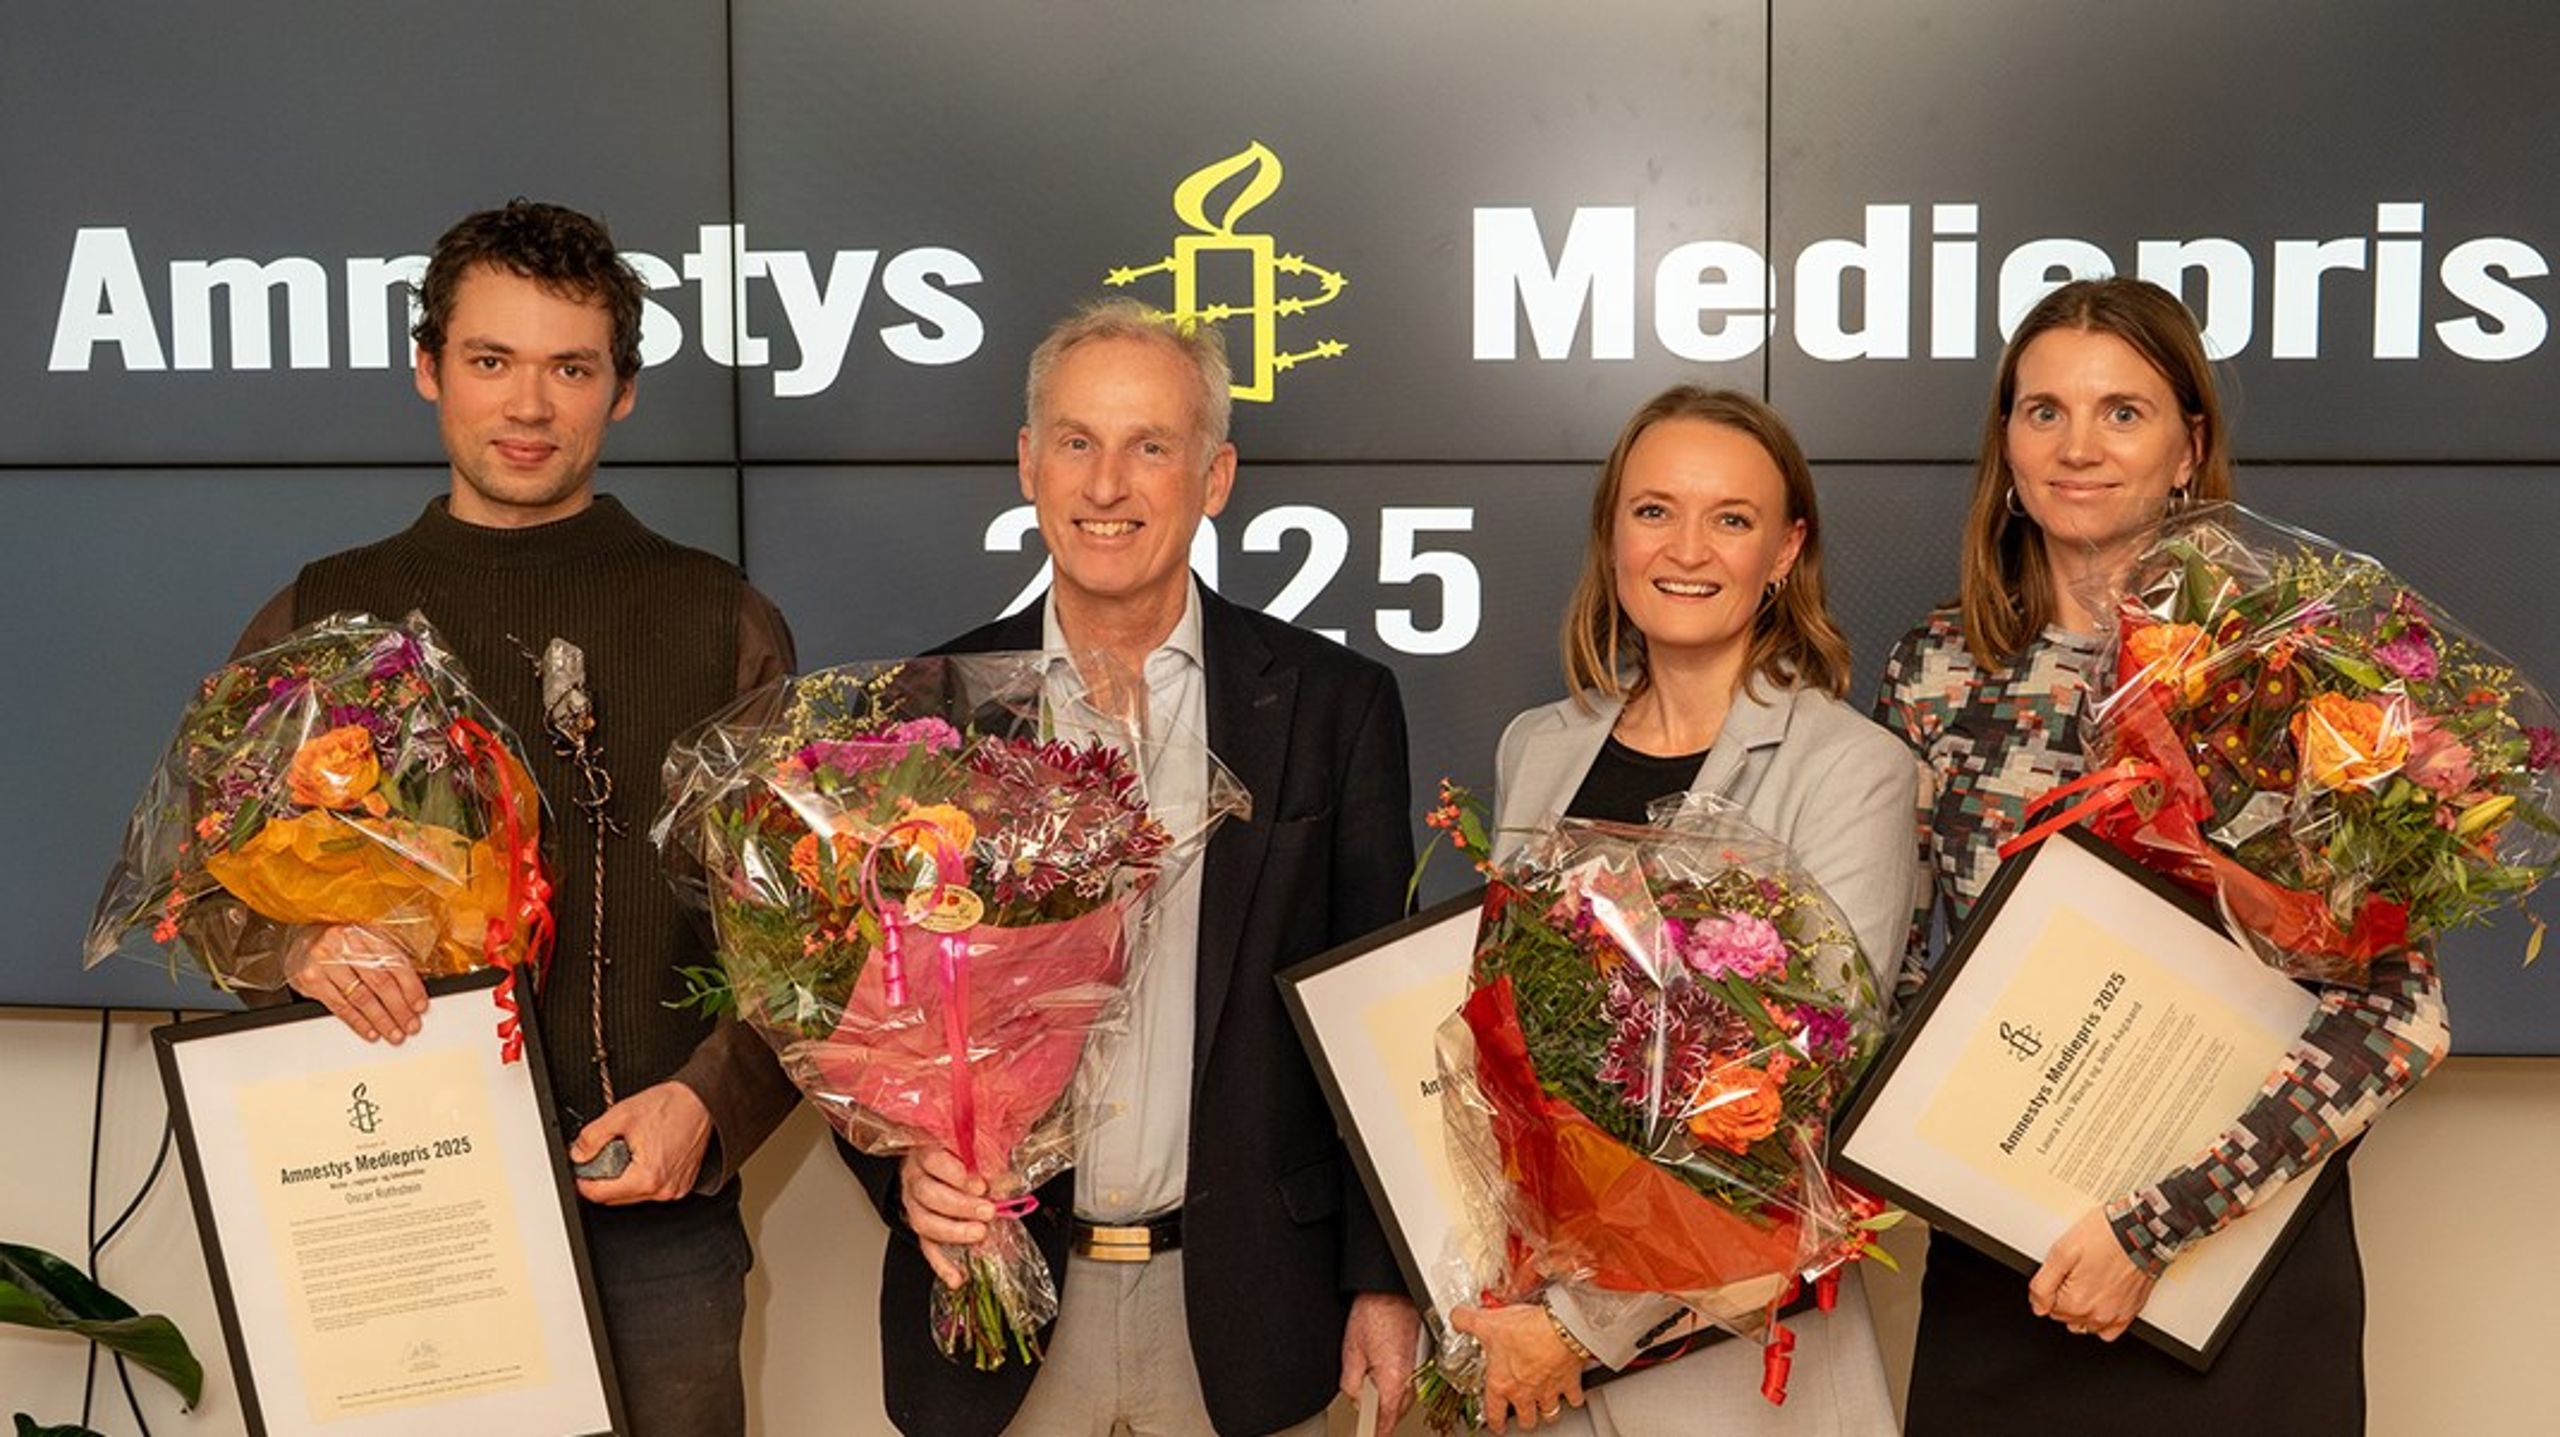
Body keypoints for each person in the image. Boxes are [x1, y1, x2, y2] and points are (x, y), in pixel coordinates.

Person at [228, 199, 802, 1437]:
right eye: (492, 360)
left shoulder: (720, 618)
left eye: (571, 368)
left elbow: (808, 945)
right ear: (429, 369)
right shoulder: (324, 616)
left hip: (653, 1225)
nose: (530, 406)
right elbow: (214, 893)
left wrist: (710, 1105)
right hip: (395, 1203)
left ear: (622, 391)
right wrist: (294, 945)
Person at [1874, 276, 2450, 1434]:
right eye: (2043, 411)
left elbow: (2398, 1016)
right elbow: (1900, 982)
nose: (2077, 447)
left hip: (2235, 1283)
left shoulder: (2286, 671)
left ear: (2187, 447)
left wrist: (2155, 1226)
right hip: (2007, 1270)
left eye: (2121, 412)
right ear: (2006, 444)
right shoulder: (1936, 670)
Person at [846, 298, 1422, 1436]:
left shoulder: (1333, 705)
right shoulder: (924, 714)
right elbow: (860, 1007)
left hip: (1251, 1318)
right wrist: (902, 1171)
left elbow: (1373, 1018)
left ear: (1215, 477)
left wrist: (1384, 1279)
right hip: (997, 1301)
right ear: (1028, 463)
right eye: (1077, 441)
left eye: (1150, 446)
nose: (1106, 484)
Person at [1454, 386, 1922, 1436]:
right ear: (1612, 532)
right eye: (1655, 510)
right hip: (1527, 1343)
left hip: (1728, 1360)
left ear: (1785, 550)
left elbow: (1795, 1108)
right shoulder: (1539, 746)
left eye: (1732, 518)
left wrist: (1581, 1326)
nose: (1688, 550)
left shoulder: (1852, 769)